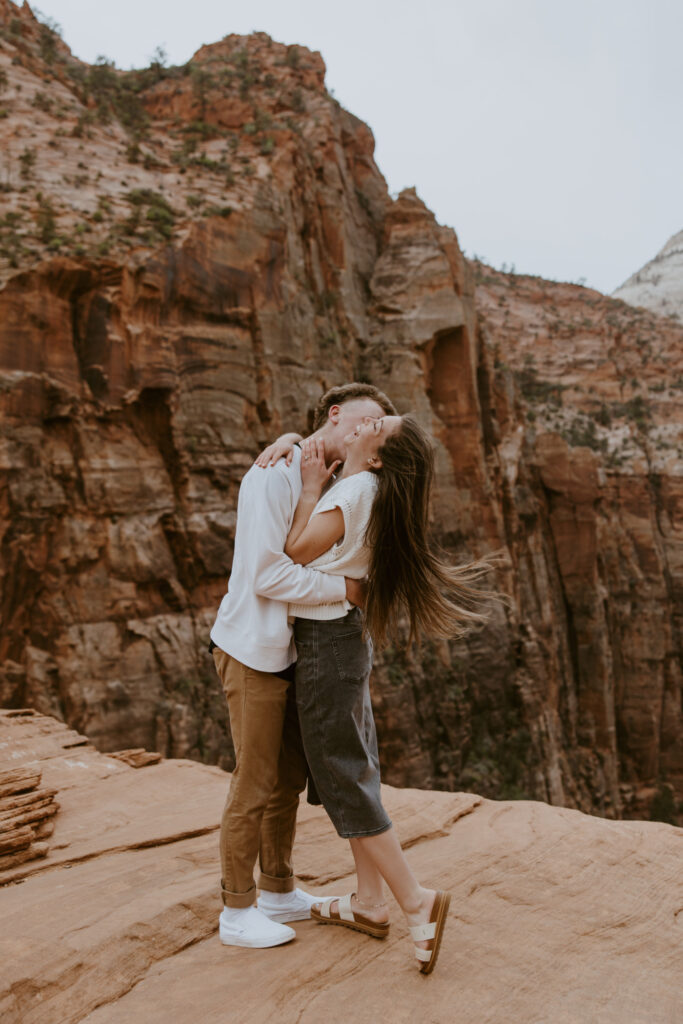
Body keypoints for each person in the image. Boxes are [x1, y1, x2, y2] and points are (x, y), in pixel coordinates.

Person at [281, 413, 494, 974]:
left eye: (372, 425)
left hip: (327, 642)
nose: (357, 424)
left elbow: (297, 550)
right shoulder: (373, 488)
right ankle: (369, 903)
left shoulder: (353, 489)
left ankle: (413, 900)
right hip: (347, 640)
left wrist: (308, 489)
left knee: (339, 771)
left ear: (374, 456)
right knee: (355, 766)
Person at [210, 383, 397, 950]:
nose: (369, 434)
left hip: (293, 654)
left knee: (288, 779)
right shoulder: (273, 473)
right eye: (364, 422)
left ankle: (278, 890)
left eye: (378, 431)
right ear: (335, 415)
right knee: (256, 778)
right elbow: (268, 575)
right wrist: (347, 589)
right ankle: (236, 910)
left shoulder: (334, 481)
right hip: (253, 653)